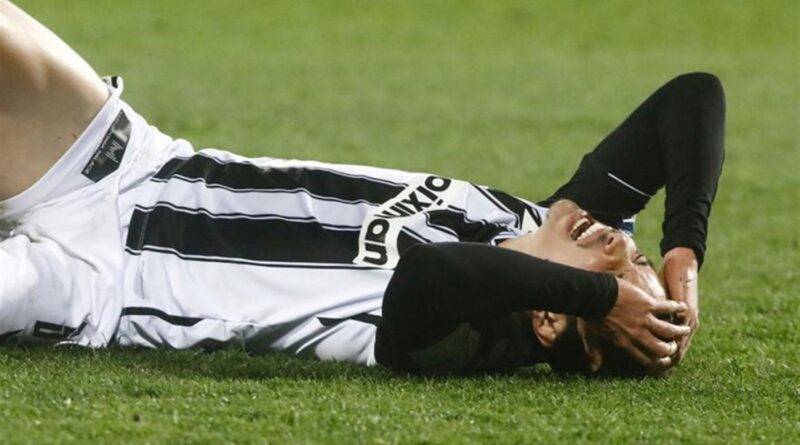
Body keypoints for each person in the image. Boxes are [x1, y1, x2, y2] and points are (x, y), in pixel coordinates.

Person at [0, 1, 724, 375]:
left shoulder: (470, 341)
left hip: (95, 286)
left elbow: (433, 274)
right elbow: (692, 98)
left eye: (617, 273)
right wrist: (681, 256)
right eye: (633, 256)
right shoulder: (538, 219)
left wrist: (604, 301)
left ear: (547, 319)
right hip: (131, 169)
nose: (621, 242)